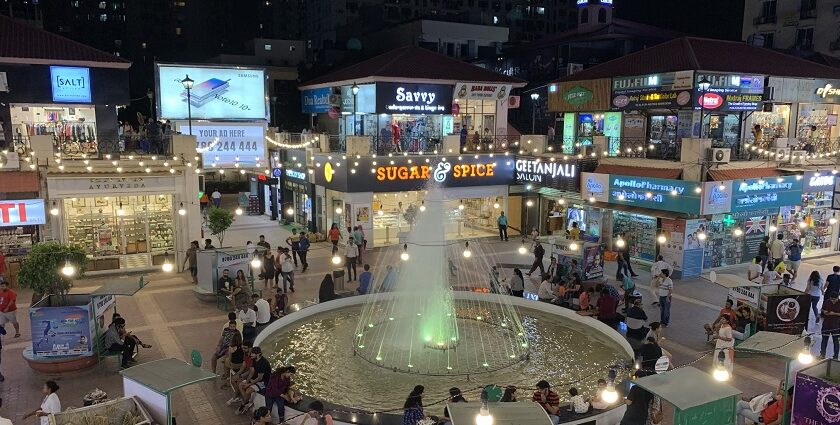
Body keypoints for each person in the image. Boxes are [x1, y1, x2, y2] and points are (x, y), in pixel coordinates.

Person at [236, 346, 272, 415]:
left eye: (253, 353)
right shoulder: (254, 359)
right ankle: (247, 401)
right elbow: (251, 372)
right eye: (251, 353)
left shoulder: (263, 363)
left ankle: (243, 405)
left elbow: (259, 378)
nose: (251, 355)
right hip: (257, 379)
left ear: (258, 354)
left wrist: (248, 384)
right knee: (240, 384)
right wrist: (246, 382)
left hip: (264, 382)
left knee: (248, 391)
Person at [820, 291, 840, 360]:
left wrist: (833, 313)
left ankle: (835, 357)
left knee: (836, 342)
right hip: (826, 324)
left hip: (836, 326)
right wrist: (824, 311)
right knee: (824, 340)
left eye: (834, 300)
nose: (833, 301)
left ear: (837, 298)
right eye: (831, 299)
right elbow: (822, 309)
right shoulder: (827, 301)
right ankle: (822, 354)